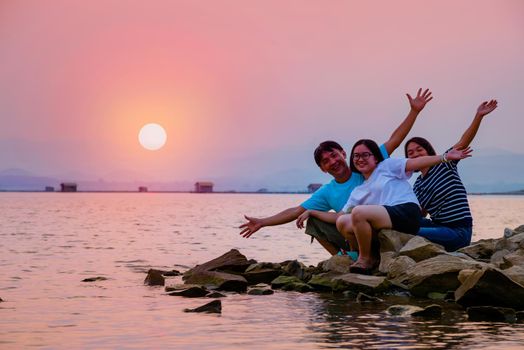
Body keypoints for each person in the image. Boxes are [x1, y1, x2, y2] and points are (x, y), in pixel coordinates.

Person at [239, 89, 433, 256]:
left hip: (386, 223)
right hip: (354, 231)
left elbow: (395, 139)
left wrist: (414, 112)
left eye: (334, 155)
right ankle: (342, 258)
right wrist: (263, 222)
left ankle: (362, 256)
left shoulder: (366, 164)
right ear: (323, 169)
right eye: (326, 161)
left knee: (357, 215)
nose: (333, 161)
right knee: (312, 219)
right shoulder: (328, 191)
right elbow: (295, 211)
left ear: (343, 153)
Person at [302, 139, 472, 274]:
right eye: (356, 156)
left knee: (358, 213)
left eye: (365, 155)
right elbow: (339, 216)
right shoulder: (358, 191)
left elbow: (417, 162)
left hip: (407, 211)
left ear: (375, 157)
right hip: (390, 219)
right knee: (343, 222)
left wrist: (444, 157)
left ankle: (365, 258)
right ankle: (373, 255)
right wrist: (312, 212)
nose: (360, 159)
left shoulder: (387, 166)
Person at [405, 99, 498, 251]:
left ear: (428, 151)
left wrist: (478, 116)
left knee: (411, 232)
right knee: (400, 224)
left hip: (458, 232)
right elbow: (419, 214)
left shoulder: (444, 163)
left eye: (419, 149)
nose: (416, 154)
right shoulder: (418, 184)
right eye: (410, 153)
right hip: (438, 227)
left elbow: (464, 141)